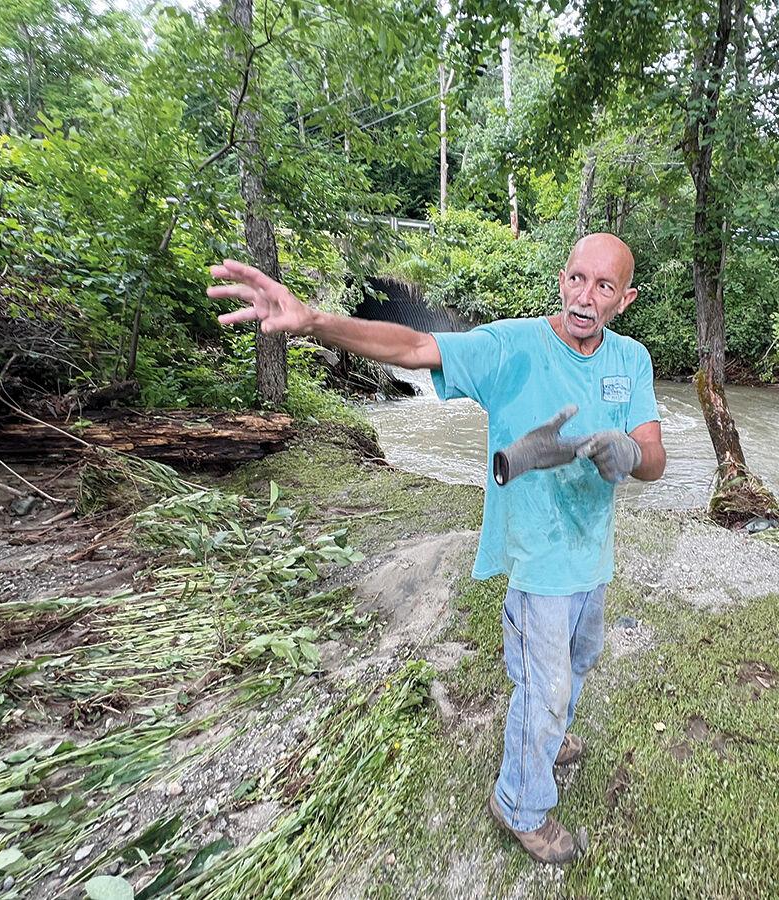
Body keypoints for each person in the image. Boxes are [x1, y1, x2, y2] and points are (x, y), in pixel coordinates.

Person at [210, 232, 665, 864]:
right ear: (562, 278)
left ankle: (547, 731)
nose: (584, 297)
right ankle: (521, 804)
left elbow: (656, 459)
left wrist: (631, 453)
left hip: (592, 551)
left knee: (578, 660)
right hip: (536, 558)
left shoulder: (631, 361)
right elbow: (417, 345)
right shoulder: (509, 349)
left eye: (603, 286)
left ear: (626, 299)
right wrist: (312, 321)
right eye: (575, 279)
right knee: (548, 684)